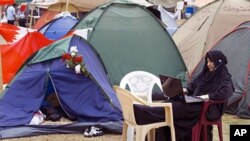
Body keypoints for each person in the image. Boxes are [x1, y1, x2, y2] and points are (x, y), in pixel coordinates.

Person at [134, 50, 234, 141]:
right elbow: (193, 84)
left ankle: (144, 112)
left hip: (209, 108)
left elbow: (225, 92)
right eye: (207, 62)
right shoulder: (206, 73)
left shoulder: (225, 77)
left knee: (178, 106)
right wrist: (186, 89)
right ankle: (146, 110)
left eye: (210, 62)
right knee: (174, 101)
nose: (208, 64)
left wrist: (206, 97)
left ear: (218, 62)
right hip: (196, 102)